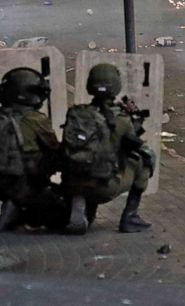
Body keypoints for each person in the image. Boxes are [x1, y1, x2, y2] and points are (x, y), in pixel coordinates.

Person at [62, 63, 153, 234]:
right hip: (104, 186)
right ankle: (130, 217)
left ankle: (80, 201)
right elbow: (133, 144)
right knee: (146, 159)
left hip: (72, 182)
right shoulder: (122, 119)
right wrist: (135, 119)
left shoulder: (75, 114)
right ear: (116, 86)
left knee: (93, 158)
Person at [0, 67, 64, 233]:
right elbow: (55, 152)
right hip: (28, 185)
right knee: (62, 214)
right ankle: (18, 209)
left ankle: (13, 208)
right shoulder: (36, 119)